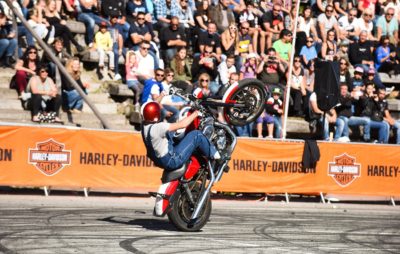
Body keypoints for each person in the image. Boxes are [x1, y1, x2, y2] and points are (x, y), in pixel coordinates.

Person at [141, 101, 220, 171]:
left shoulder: (144, 126)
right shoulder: (159, 127)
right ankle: (215, 157)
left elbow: (153, 105)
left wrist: (162, 94)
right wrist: (196, 113)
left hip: (158, 160)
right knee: (196, 135)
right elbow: (183, 124)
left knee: (173, 134)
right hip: (171, 161)